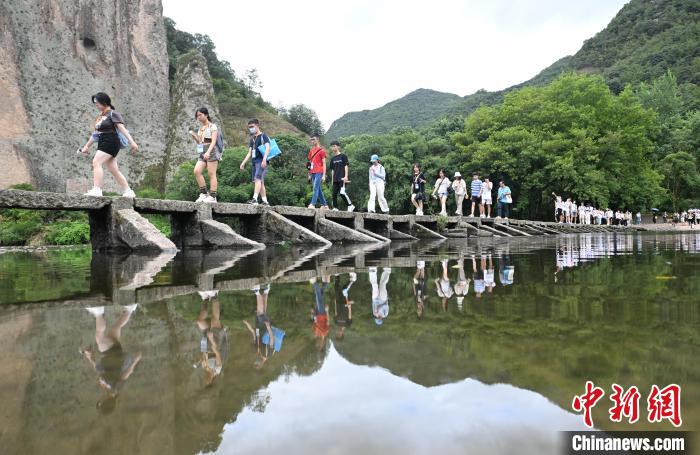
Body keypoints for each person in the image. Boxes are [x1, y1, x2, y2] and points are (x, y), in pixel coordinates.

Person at [80, 304, 141, 414]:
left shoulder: (109, 390)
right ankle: (99, 312)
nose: (99, 399)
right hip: (112, 355)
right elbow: (125, 375)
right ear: (105, 403)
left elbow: (100, 372)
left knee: (116, 328)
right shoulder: (114, 389)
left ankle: (130, 309)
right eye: (100, 402)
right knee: (99, 337)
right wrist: (135, 361)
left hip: (113, 355)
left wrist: (90, 358)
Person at [80, 92, 138, 197]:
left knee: (96, 162)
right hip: (103, 142)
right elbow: (95, 134)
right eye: (95, 103)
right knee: (114, 170)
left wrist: (132, 142)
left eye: (97, 103)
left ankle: (97, 190)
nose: (96, 105)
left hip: (111, 141)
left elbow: (122, 128)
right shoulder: (100, 117)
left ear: (104, 102)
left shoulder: (113, 113)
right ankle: (128, 191)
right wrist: (86, 146)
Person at [195, 291, 229, 386]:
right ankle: (214, 295)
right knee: (214, 319)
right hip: (217, 341)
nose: (204, 380)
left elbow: (203, 353)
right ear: (211, 381)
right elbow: (217, 352)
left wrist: (200, 359)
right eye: (206, 382)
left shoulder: (205, 368)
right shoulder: (217, 369)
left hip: (206, 342)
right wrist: (211, 339)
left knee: (199, 321)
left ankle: (205, 299)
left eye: (203, 381)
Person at [188, 107, 221, 203]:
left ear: (206, 115)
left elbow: (214, 141)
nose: (198, 117)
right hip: (203, 151)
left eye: (200, 115)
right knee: (197, 171)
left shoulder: (212, 126)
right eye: (197, 116)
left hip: (212, 151)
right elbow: (200, 143)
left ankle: (213, 196)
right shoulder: (201, 128)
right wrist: (195, 138)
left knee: (211, 173)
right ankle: (204, 193)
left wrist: (208, 152)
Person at [240, 119, 271, 205]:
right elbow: (249, 152)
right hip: (254, 162)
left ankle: (255, 199)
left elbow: (268, 148)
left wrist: (264, 159)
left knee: (258, 179)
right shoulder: (252, 139)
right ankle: (265, 201)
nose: (251, 129)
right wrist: (243, 162)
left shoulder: (263, 136)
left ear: (257, 125)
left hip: (261, 161)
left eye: (252, 126)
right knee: (260, 181)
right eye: (249, 127)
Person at [329, 141, 354, 212]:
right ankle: (335, 207)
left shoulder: (343, 156)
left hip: (342, 178)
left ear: (338, 147)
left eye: (334, 146)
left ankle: (350, 205)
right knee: (334, 193)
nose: (333, 148)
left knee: (342, 193)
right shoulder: (332, 159)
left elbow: (346, 166)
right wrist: (332, 180)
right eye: (332, 146)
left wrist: (346, 176)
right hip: (335, 179)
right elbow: (332, 170)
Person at [307, 135, 329, 209]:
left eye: (314, 139)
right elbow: (310, 163)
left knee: (315, 188)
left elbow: (324, 163)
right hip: (312, 172)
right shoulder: (311, 150)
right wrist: (309, 174)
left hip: (319, 171)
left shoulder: (322, 150)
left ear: (318, 140)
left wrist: (324, 175)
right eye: (311, 140)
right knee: (318, 189)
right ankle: (325, 205)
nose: (312, 141)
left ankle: (312, 204)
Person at [334, 273, 356, 340]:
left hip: (338, 303)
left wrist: (335, 303)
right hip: (345, 303)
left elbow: (336, 313)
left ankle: (337, 275)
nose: (338, 333)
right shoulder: (347, 324)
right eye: (339, 334)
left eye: (337, 334)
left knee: (336, 288)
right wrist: (349, 307)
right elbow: (349, 316)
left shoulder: (336, 323)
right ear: (342, 334)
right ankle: (352, 280)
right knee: (344, 289)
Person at [310, 276, 331, 350]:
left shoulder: (316, 334)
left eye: (317, 345)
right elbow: (328, 322)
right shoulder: (324, 333)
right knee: (318, 296)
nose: (317, 344)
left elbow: (314, 322)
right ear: (323, 344)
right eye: (319, 345)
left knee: (320, 295)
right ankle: (314, 283)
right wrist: (327, 311)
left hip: (316, 313)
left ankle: (326, 283)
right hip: (322, 313)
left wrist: (312, 313)